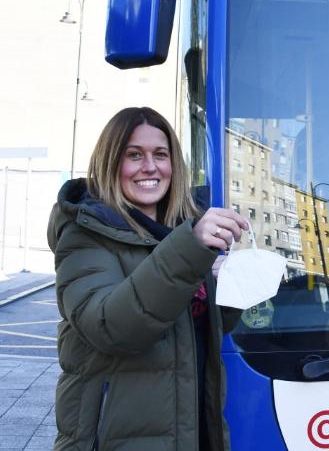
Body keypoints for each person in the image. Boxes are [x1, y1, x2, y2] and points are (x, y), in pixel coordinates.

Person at [47, 106, 249, 450]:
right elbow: (112, 327)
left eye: (160, 154)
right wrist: (190, 250)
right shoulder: (83, 235)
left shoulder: (181, 233)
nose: (150, 167)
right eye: (134, 155)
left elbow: (197, 333)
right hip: (113, 440)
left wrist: (232, 288)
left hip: (189, 430)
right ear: (111, 162)